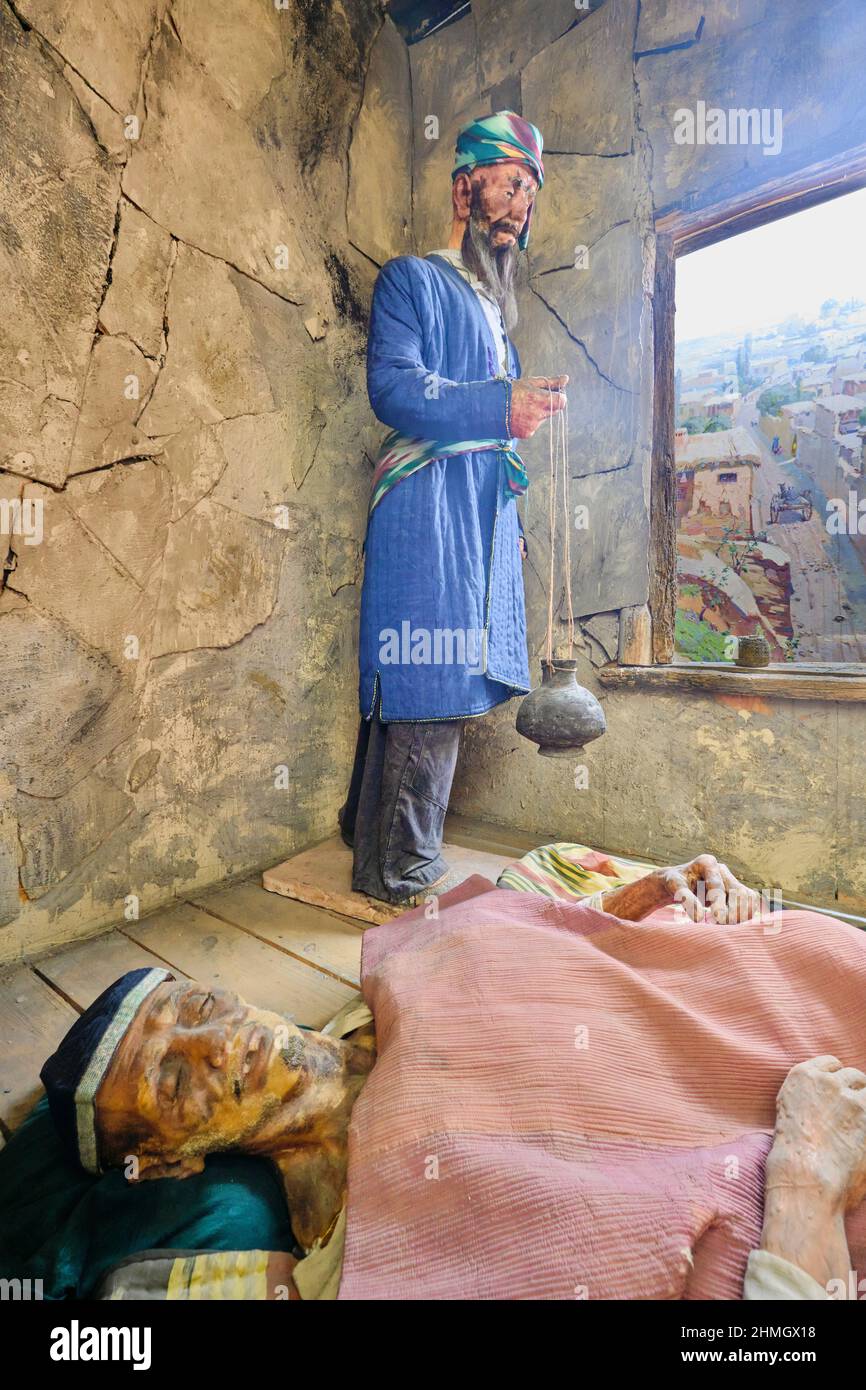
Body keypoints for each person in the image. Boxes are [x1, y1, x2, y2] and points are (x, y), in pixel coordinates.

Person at [36, 852, 865, 1300]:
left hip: (790, 988)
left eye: (196, 1007)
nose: (215, 1045)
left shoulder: (406, 965)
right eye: (174, 1083)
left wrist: (645, 898)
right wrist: (805, 1186)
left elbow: (537, 929)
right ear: (171, 1159)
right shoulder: (365, 1252)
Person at [338, 110, 568, 908]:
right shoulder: (411, 279)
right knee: (423, 677)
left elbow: (493, 425)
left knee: (448, 680)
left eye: (530, 197)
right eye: (511, 185)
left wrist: (512, 523)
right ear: (465, 185)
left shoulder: (498, 320)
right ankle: (397, 874)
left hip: (478, 515)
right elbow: (395, 390)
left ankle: (370, 841)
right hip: (423, 510)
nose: (519, 209)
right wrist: (504, 407)